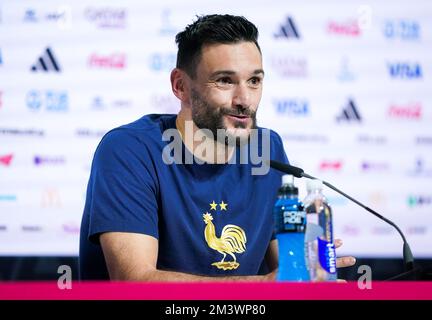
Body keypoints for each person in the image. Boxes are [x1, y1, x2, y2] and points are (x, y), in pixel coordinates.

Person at [79, 14, 355, 281]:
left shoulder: (267, 149)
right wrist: (263, 286)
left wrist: (310, 275)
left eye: (254, 81)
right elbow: (134, 281)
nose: (244, 99)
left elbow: (285, 270)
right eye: (225, 80)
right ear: (181, 86)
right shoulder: (130, 150)